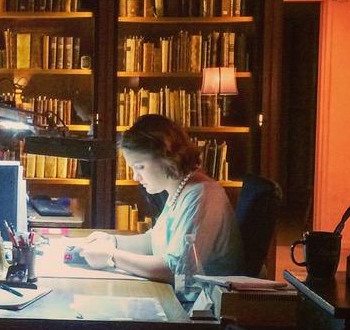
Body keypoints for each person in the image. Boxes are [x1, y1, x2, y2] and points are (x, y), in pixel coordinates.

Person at [79, 113, 243, 281]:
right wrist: (112, 241)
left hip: (198, 302)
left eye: (140, 167)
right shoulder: (180, 189)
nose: (136, 177)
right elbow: (155, 242)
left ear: (166, 157)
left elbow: (175, 270)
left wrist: (112, 257)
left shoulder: (201, 195)